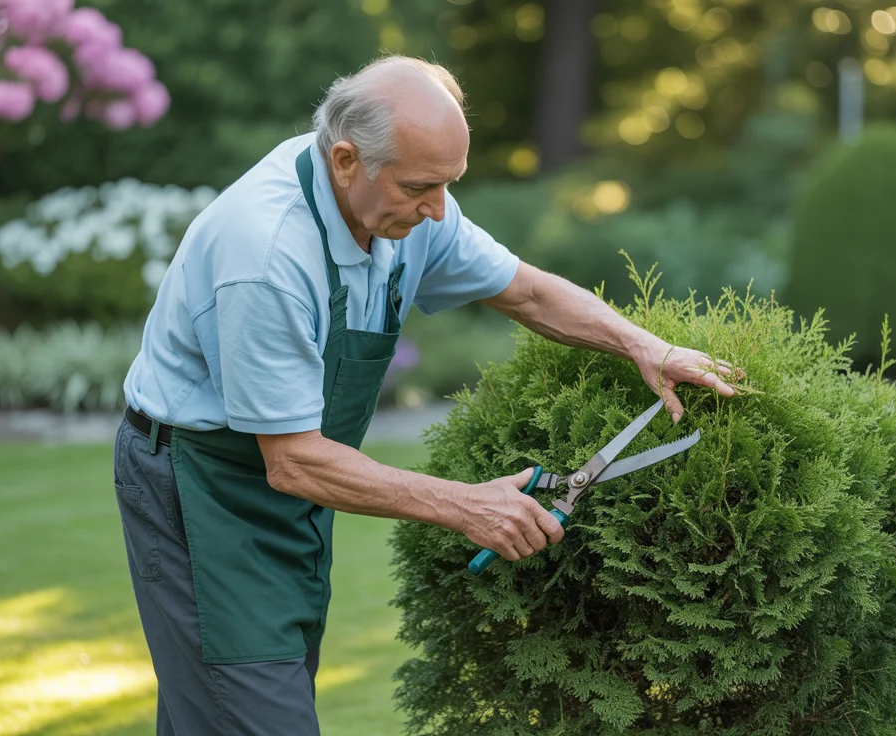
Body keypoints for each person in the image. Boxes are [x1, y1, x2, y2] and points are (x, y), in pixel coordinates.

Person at [113, 55, 736, 735]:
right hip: (203, 491)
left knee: (217, 710)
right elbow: (291, 461)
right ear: (345, 159)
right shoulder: (265, 255)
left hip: (294, 487)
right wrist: (467, 505)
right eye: (420, 187)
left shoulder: (405, 206)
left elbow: (524, 291)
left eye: (447, 185)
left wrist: (644, 345)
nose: (438, 209)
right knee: (255, 710)